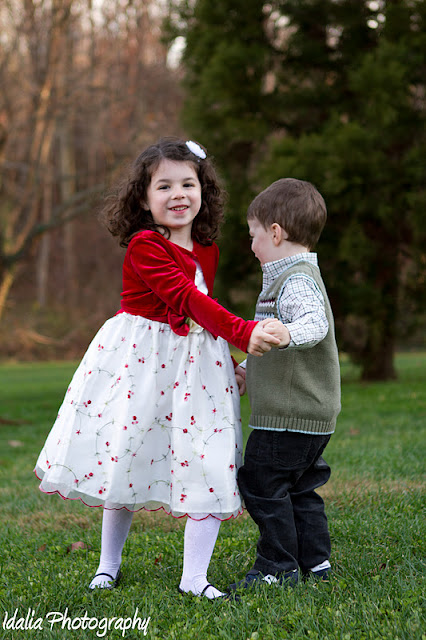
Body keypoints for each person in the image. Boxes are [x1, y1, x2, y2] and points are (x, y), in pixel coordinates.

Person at [34, 137, 280, 600]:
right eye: (164, 186)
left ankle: (194, 578)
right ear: (144, 200)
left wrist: (229, 363)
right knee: (128, 455)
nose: (178, 194)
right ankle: (108, 566)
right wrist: (243, 333)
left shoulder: (207, 249)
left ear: (203, 191)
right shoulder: (145, 245)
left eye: (188, 184)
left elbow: (200, 314)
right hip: (141, 366)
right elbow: (184, 298)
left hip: (197, 370)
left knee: (208, 459)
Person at [229, 178, 341, 591]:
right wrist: (248, 369)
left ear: (275, 232)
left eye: (253, 235)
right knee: (299, 487)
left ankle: (277, 566)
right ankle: (316, 561)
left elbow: (313, 323)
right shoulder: (294, 276)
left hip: (288, 416)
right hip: (311, 414)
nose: (252, 245)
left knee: (262, 482)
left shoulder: (294, 280)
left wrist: (289, 332)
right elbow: (275, 344)